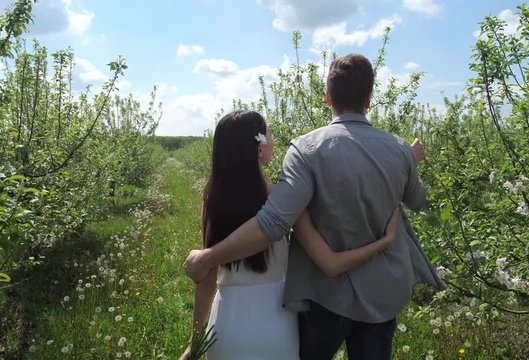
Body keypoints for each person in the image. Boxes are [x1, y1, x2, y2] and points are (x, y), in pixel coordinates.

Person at [185, 54, 446, 360]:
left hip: (322, 298)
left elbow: (274, 223)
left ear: (327, 98)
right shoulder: (400, 149)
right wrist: (406, 163)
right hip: (381, 295)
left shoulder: (305, 149)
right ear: (369, 99)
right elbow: (418, 200)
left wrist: (208, 257)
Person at [178, 110, 401, 360]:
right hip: (276, 321)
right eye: (269, 133)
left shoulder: (213, 201)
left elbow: (206, 280)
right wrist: (385, 241)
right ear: (259, 149)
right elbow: (331, 262)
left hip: (227, 322)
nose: (273, 139)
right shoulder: (284, 201)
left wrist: (194, 344)